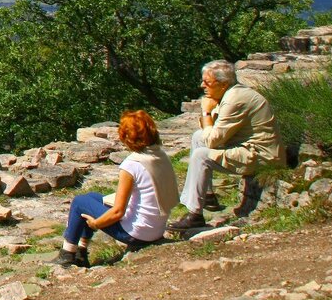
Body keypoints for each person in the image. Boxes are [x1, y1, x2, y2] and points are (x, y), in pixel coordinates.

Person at [54, 110, 179, 267]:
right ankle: (81, 251)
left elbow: (118, 211)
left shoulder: (133, 164)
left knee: (80, 202)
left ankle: (67, 254)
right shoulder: (160, 155)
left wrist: (96, 224)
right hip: (156, 228)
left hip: (136, 233)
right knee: (92, 197)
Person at [169, 60, 281, 230]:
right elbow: (212, 132)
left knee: (201, 155)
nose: (202, 85)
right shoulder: (230, 94)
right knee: (199, 137)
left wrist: (206, 111)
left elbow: (214, 139)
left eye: (207, 82)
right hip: (249, 148)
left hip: (262, 156)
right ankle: (207, 196)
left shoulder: (234, 100)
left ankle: (194, 214)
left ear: (223, 84)